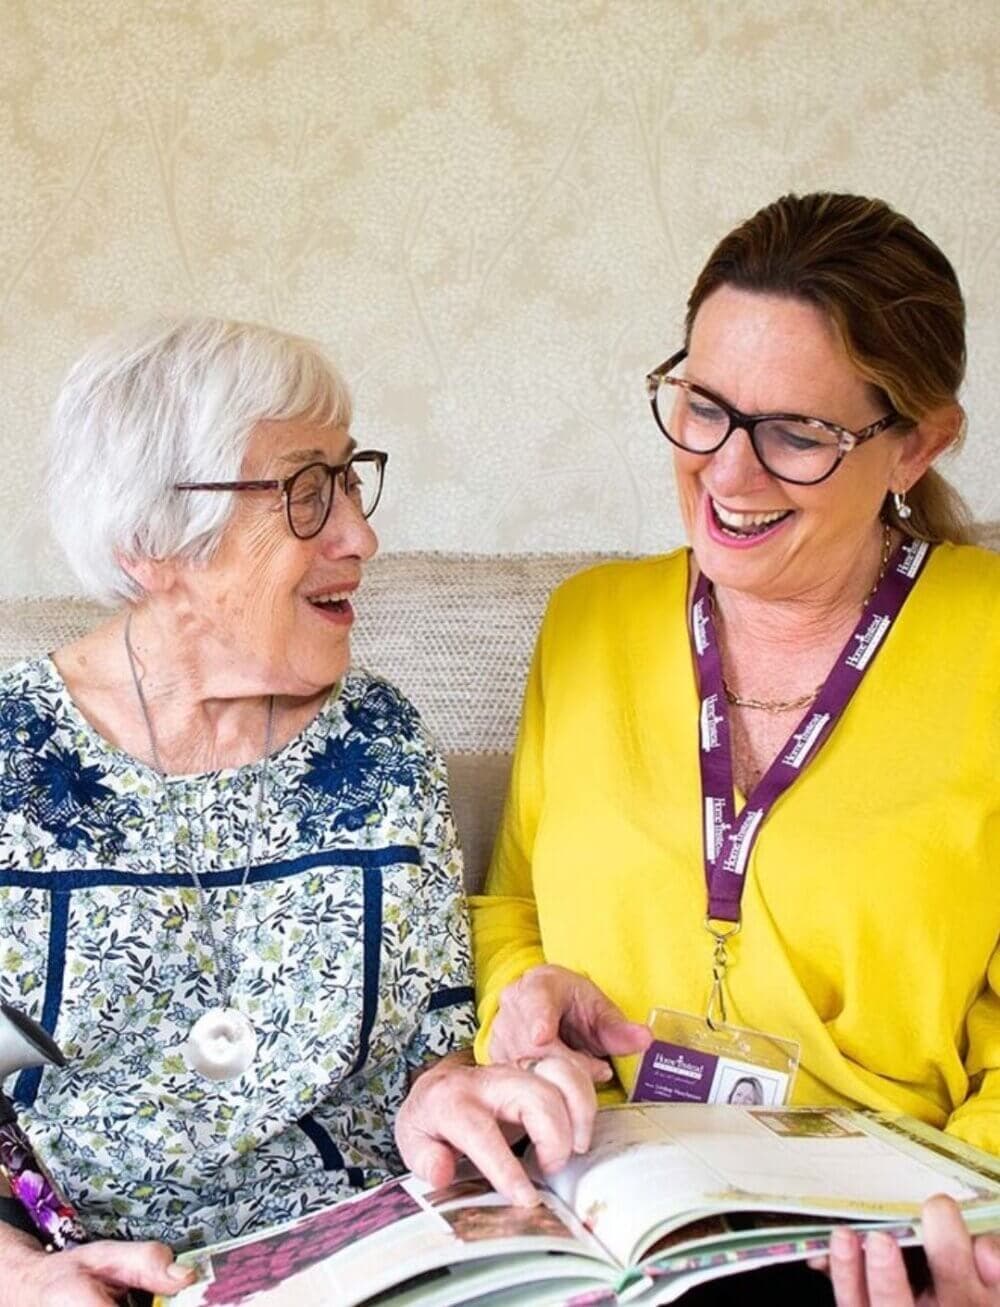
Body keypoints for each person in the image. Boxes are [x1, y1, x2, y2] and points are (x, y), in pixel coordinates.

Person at [471, 193, 1000, 1304]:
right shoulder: (589, 619)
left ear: (919, 442)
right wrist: (525, 1004)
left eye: (797, 433)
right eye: (703, 408)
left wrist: (969, 1224)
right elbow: (511, 905)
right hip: (602, 1203)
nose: (727, 472)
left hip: (879, 1230)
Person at [0, 317, 591, 1307]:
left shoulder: (376, 741)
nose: (360, 534)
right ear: (154, 541)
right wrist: (22, 1274)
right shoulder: (12, 760)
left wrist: (453, 1095)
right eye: (306, 490)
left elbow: (423, 1052)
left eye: (350, 478)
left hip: (377, 1265)